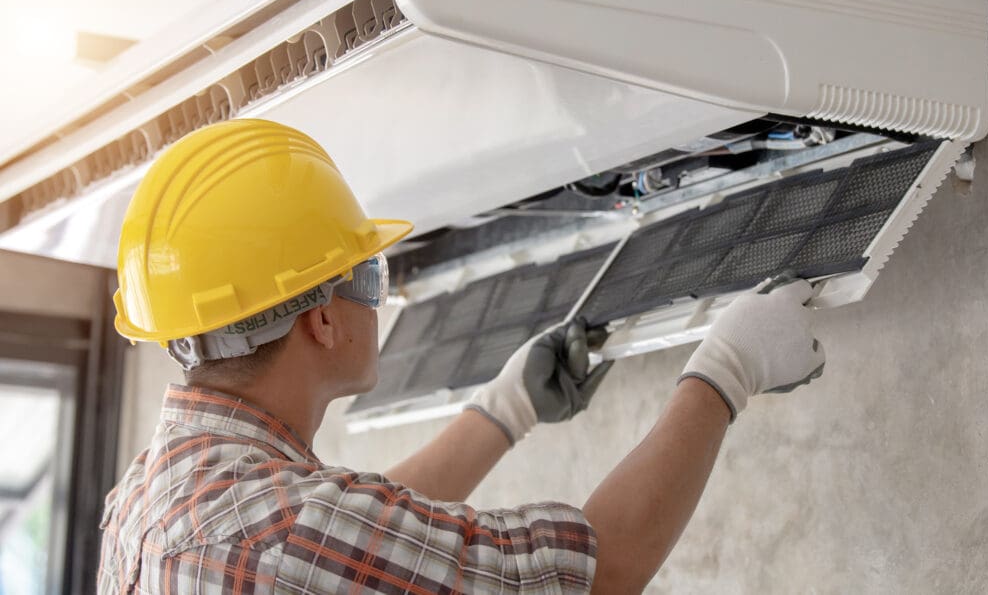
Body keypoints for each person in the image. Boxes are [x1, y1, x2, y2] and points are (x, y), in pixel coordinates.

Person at [99, 119, 825, 593]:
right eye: (369, 272)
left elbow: (358, 543)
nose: (376, 297)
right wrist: (730, 367)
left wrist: (503, 412)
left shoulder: (150, 497)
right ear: (320, 317)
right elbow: (601, 573)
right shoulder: (282, 528)